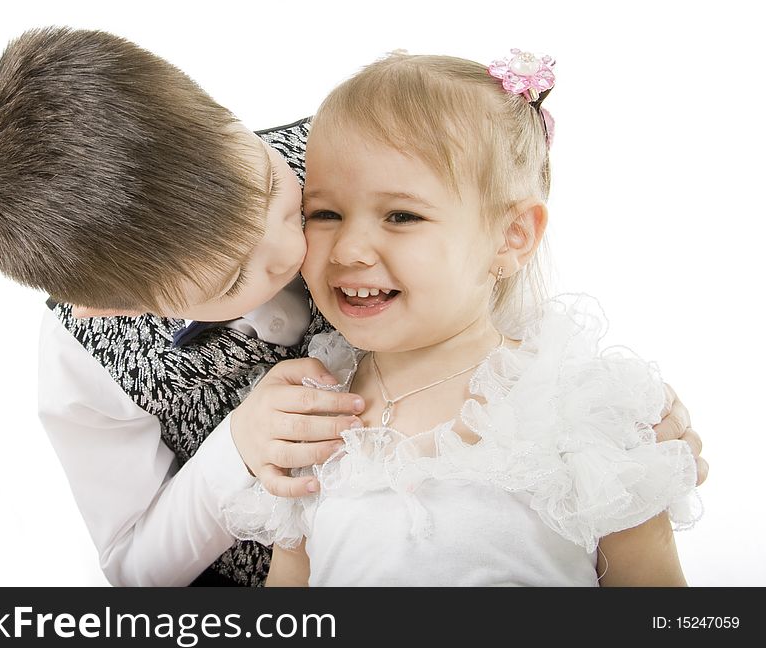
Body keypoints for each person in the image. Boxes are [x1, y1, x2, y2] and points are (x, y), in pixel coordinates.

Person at [0, 29, 705, 587]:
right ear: (113, 306)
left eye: (277, 192)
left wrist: (614, 420)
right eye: (235, 270)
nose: (295, 247)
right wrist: (239, 449)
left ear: (224, 117)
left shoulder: (349, 152)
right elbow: (136, 573)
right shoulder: (84, 356)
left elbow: (492, 256)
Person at [226, 50, 702, 586]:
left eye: (402, 216)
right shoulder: (312, 419)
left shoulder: (575, 407)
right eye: (325, 213)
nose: (351, 249)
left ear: (511, 235)